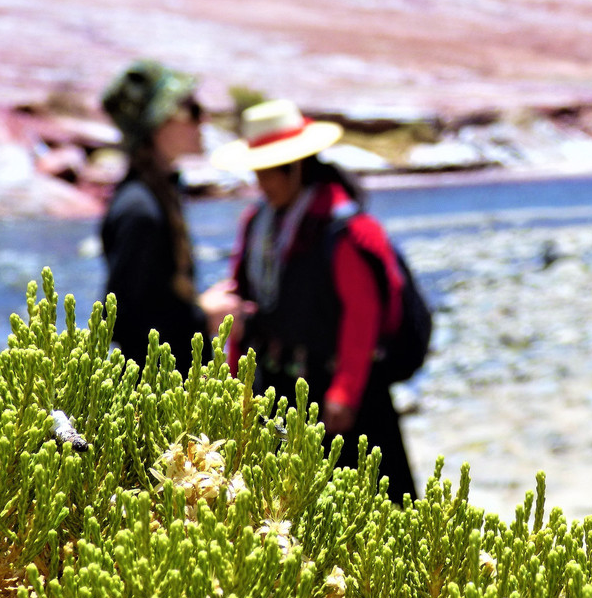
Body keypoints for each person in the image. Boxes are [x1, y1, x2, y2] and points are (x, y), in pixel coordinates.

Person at [211, 98, 418, 504]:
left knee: (373, 503)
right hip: (281, 387)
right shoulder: (257, 224)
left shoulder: (344, 232)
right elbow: (241, 301)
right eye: (258, 169)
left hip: (343, 394)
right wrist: (235, 377)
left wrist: (344, 392)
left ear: (299, 166)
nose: (262, 180)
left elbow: (363, 315)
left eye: (271, 169)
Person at [100, 60, 238, 374]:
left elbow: (153, 302)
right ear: (158, 123)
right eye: (190, 108)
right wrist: (203, 317)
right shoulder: (140, 210)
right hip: (154, 403)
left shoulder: (159, 194)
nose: (202, 118)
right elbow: (123, 323)